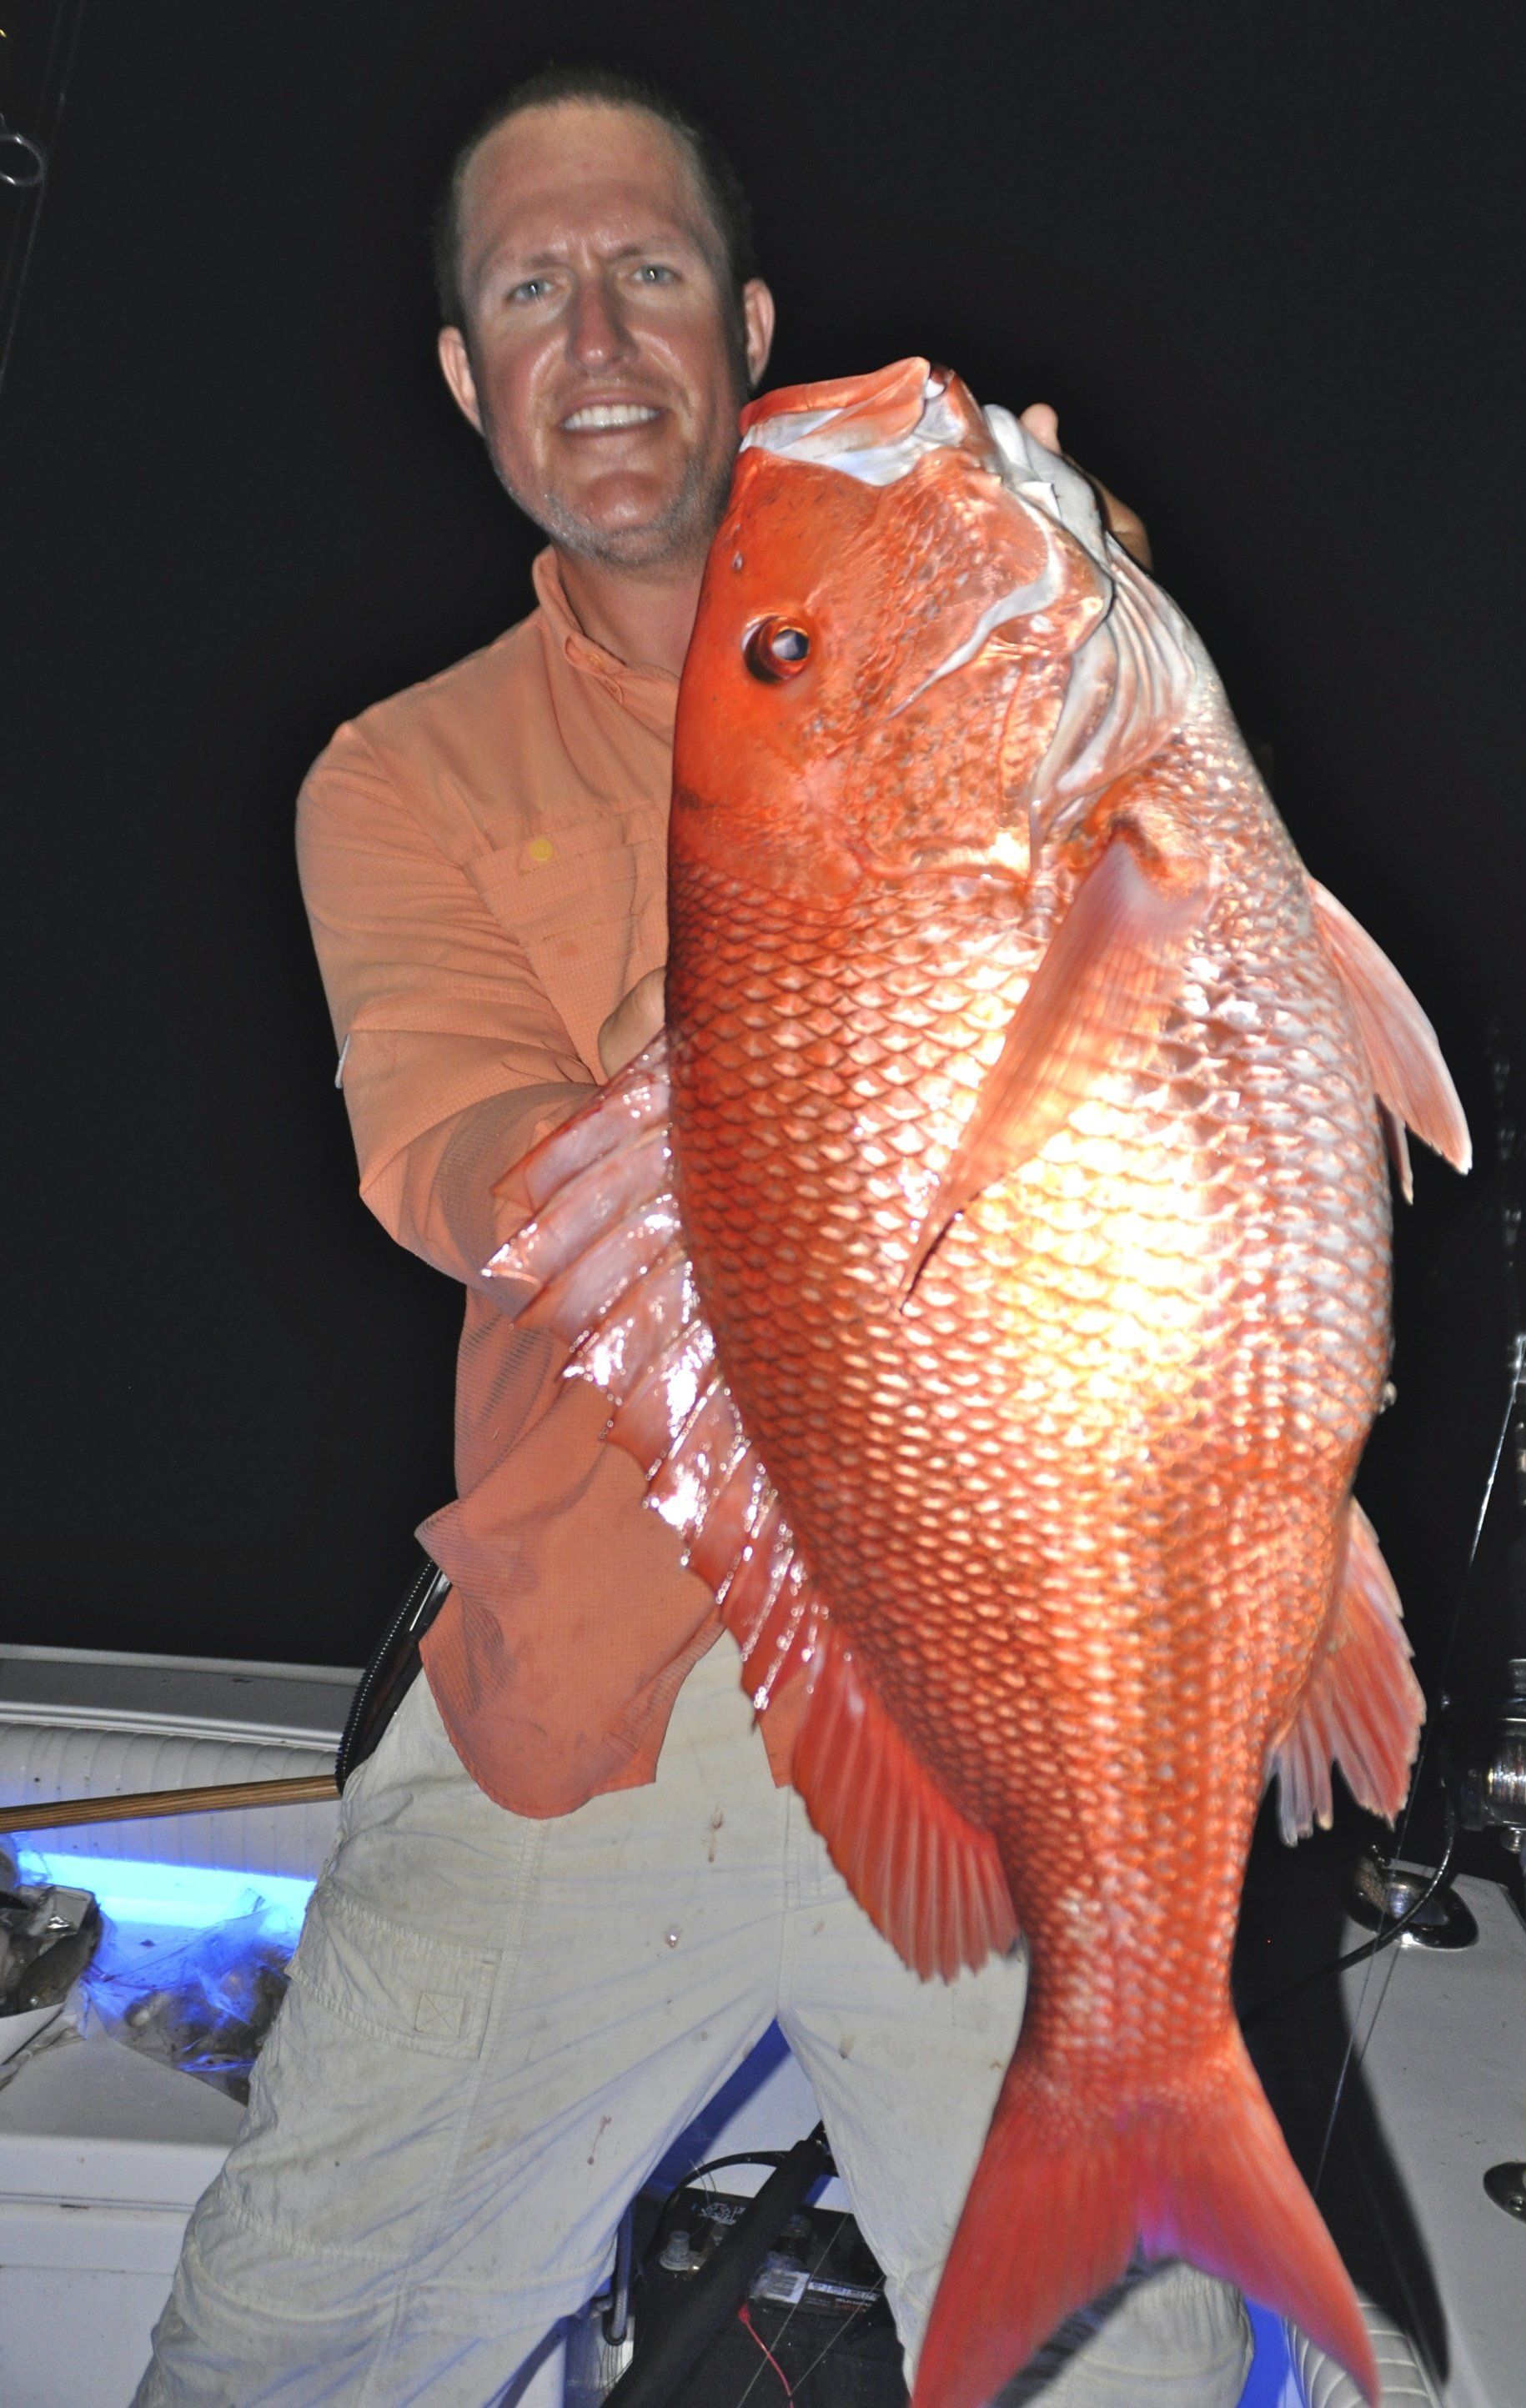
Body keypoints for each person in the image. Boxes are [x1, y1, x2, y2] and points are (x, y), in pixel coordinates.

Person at [137, 66, 1248, 2408]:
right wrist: (779, 947)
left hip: (975, 1654)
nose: (599, 337)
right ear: (468, 377)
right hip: (589, 1698)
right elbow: (457, 1152)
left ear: (742, 320)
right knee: (278, 2348)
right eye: (530, 291)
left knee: (1120, 2362)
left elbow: (1191, 1025)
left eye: (647, 271)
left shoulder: (983, 617)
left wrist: (1064, 616)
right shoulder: (399, 770)